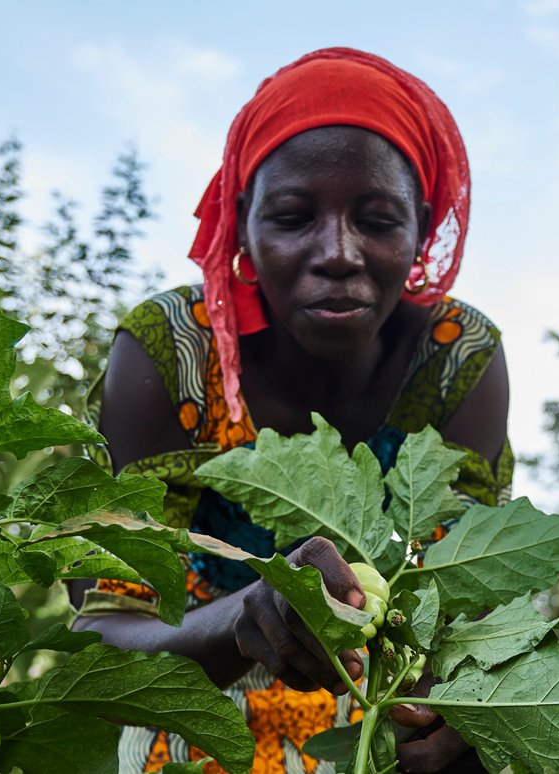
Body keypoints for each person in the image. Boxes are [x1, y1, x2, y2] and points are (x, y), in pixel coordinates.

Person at [72, 47, 512, 774]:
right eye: (292, 216)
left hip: (382, 738)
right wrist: (243, 619)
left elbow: (471, 601)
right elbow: (105, 639)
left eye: (376, 219)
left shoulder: (456, 358)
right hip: (191, 732)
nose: (338, 251)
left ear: (422, 226)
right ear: (242, 223)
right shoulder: (173, 358)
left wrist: (458, 715)